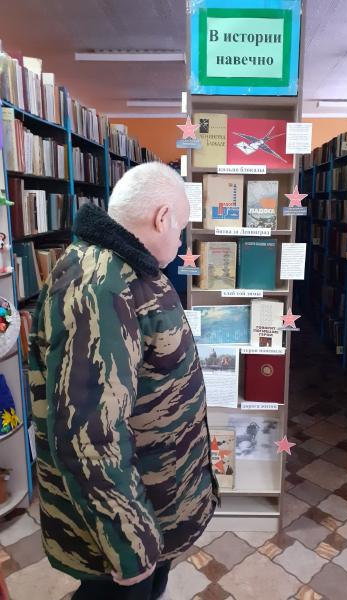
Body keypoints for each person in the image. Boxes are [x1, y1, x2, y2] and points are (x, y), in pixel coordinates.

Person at [29, 162, 218, 600]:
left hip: (152, 507)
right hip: (128, 533)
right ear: (162, 217)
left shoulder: (130, 269)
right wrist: (130, 546)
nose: (181, 241)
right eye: (181, 228)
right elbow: (88, 434)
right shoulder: (100, 287)